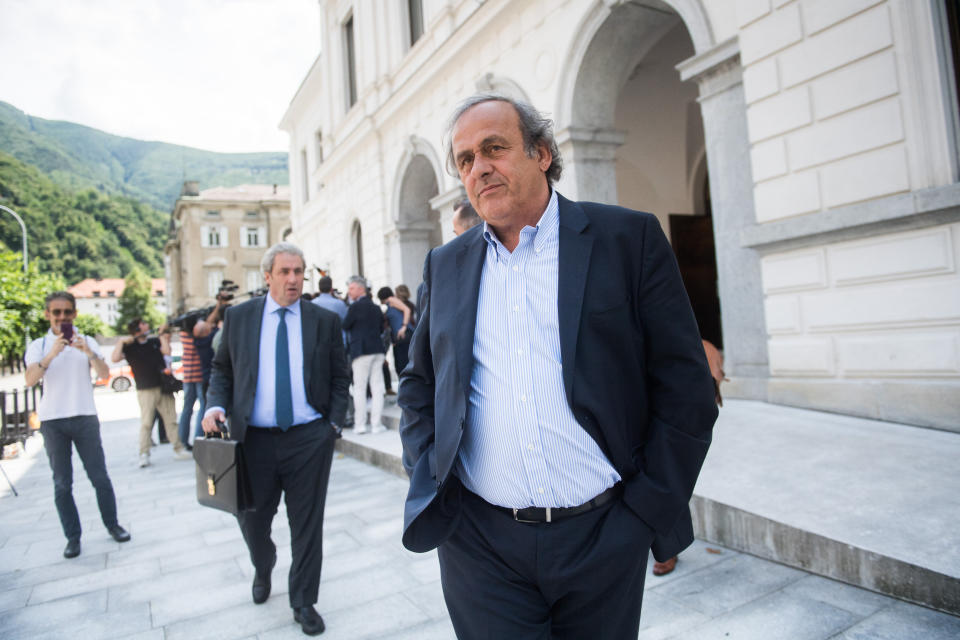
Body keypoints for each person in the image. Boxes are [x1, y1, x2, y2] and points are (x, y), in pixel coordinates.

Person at [398, 94, 718, 639]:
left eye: (493, 148)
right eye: (465, 160)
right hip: (479, 544)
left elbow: (686, 388)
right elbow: (420, 383)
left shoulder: (627, 239)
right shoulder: (445, 264)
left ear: (542, 152)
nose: (479, 168)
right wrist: (429, 470)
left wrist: (641, 512)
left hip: (602, 534)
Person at [202, 242, 349, 637]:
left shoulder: (323, 321)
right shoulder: (240, 318)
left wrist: (332, 425)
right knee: (251, 520)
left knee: (307, 525)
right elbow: (222, 371)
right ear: (267, 276)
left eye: (299, 272)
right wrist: (214, 406)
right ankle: (263, 563)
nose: (293, 279)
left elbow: (340, 376)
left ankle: (303, 601)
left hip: (309, 439)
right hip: (254, 442)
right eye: (284, 272)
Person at [24, 291, 131, 559]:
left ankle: (113, 525)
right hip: (53, 421)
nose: (62, 317)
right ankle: (73, 537)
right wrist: (51, 354)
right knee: (62, 483)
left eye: (67, 312)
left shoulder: (89, 341)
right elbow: (29, 379)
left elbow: (106, 375)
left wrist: (88, 352)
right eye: (56, 312)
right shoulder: (39, 345)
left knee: (100, 477)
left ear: (74, 314)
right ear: (48, 314)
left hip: (84, 416)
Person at [112, 318, 190, 467]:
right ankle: (144, 452)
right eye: (143, 324)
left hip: (163, 386)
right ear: (137, 328)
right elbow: (115, 358)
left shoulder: (154, 342)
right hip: (145, 389)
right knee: (146, 422)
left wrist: (162, 336)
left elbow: (167, 351)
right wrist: (121, 342)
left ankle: (178, 448)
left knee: (171, 420)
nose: (147, 325)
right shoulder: (130, 347)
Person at [341, 276, 387, 435]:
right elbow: (382, 328)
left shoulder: (354, 308)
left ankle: (360, 425)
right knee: (377, 387)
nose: (349, 291)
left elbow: (345, 325)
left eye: (352, 288)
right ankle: (376, 424)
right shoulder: (375, 307)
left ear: (361, 289)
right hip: (377, 349)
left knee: (359, 388)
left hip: (360, 351)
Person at [178, 301, 224, 449]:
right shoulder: (208, 338)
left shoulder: (187, 336)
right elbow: (208, 325)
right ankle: (199, 439)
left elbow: (204, 326)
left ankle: (183, 440)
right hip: (200, 377)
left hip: (189, 376)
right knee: (204, 410)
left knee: (188, 409)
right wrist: (218, 307)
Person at [376, 286, 413, 379]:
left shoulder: (391, 299)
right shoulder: (389, 305)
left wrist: (404, 326)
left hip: (404, 333)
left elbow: (407, 310)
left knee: (403, 364)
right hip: (399, 337)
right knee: (400, 364)